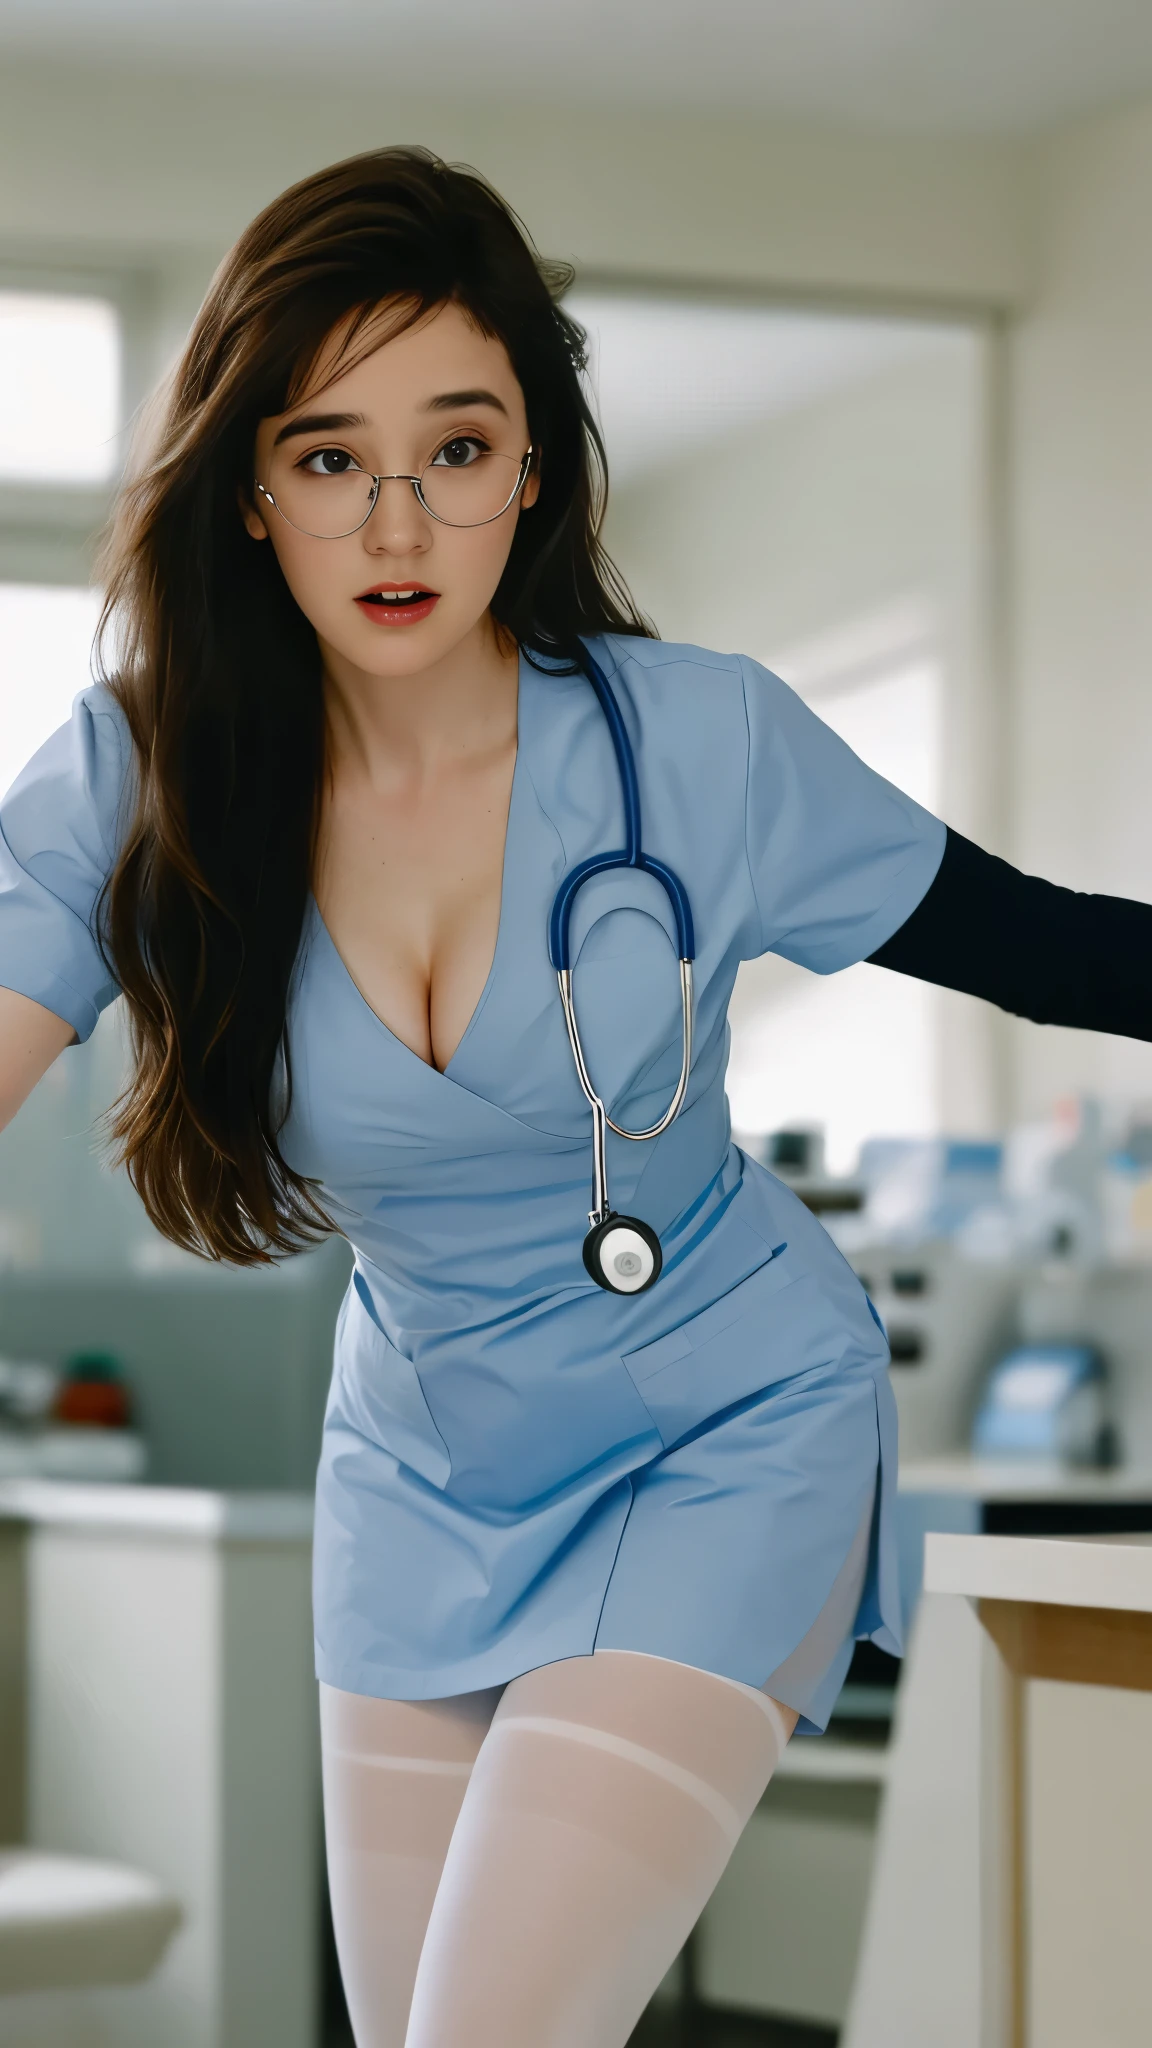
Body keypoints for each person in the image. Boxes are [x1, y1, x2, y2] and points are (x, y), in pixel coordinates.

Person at [0, 148, 1148, 2048]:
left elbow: (1068, 954)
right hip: (423, 1465)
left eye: (456, 448)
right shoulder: (143, 777)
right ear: (251, 490)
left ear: (531, 471)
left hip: (727, 1423)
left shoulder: (700, 745)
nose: (397, 519)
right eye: (327, 453)